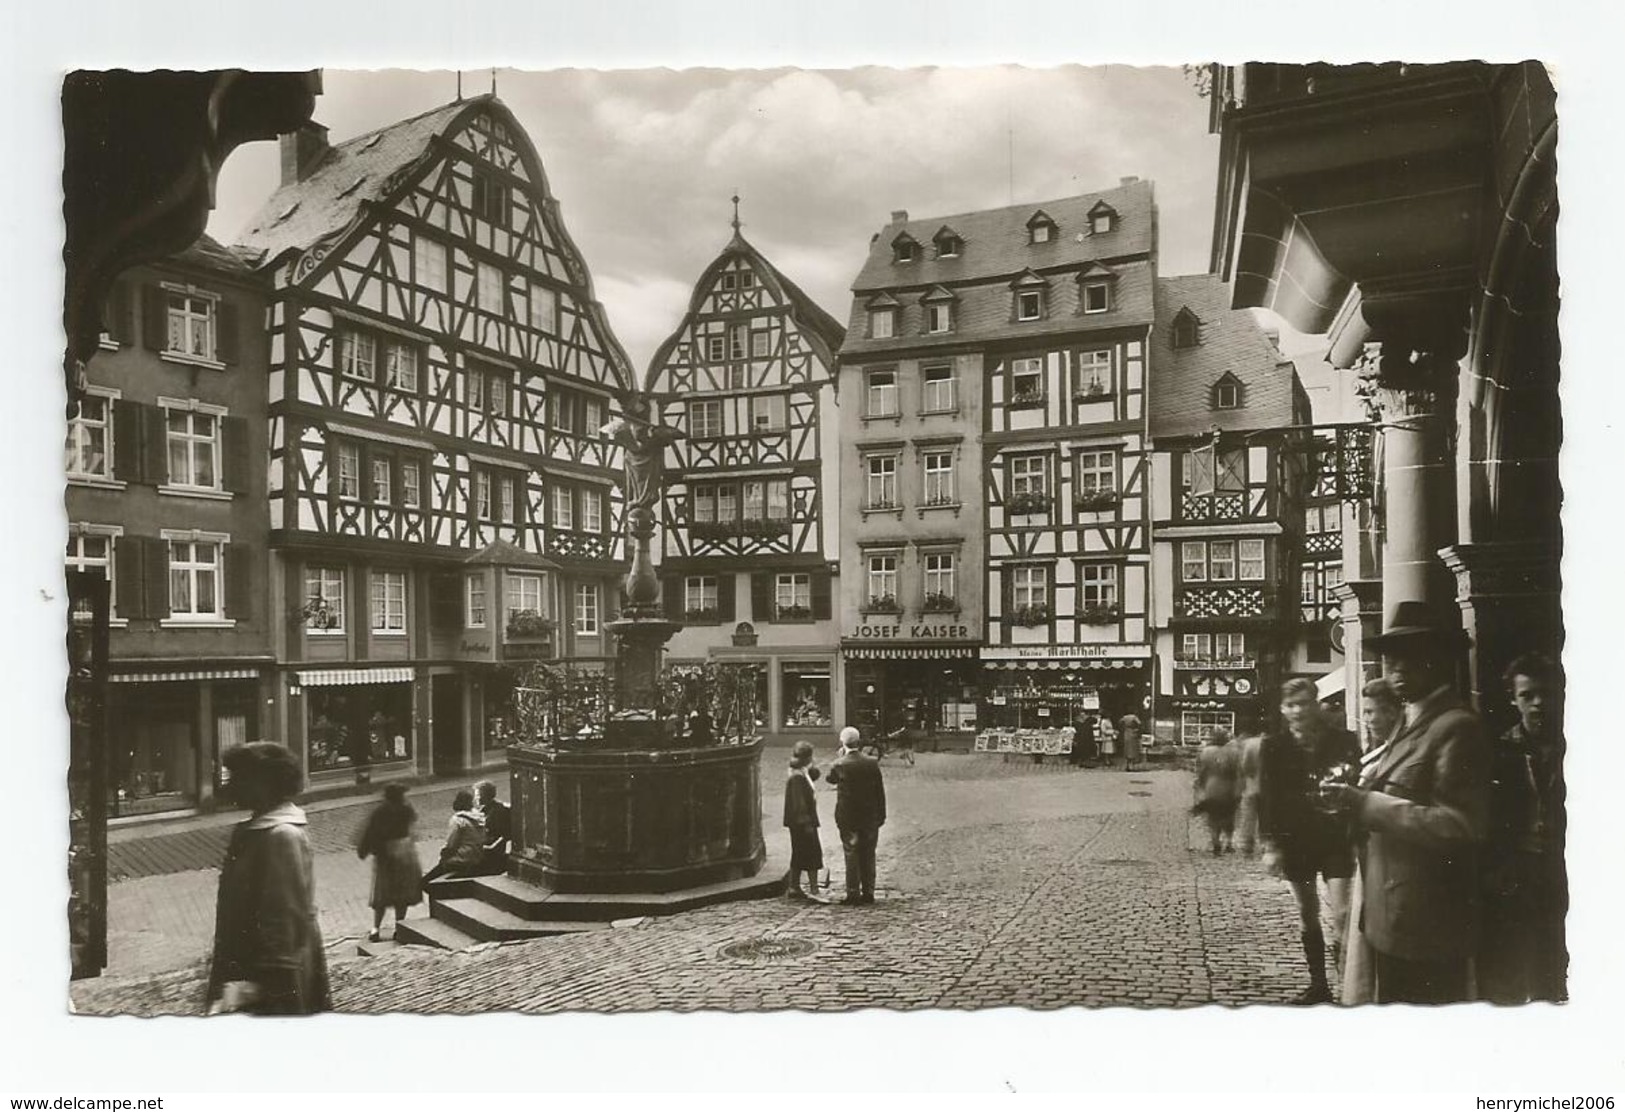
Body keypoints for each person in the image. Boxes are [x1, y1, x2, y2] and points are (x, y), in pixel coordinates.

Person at [1320, 601, 1490, 1005]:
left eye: (1409, 658)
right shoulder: (1412, 724)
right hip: (1392, 917)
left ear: (1438, 662)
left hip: (1425, 924)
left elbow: (1461, 826)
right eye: (1390, 658)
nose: (1394, 668)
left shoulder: (1456, 727)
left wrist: (1365, 804)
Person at [205, 743, 331, 1015]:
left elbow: (283, 924)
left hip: (270, 982)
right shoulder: (256, 830)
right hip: (247, 972)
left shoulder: (282, 836)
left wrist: (261, 988)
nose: (232, 786)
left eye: (240, 777)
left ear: (266, 782)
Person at [1258, 677, 1361, 1004]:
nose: (1298, 710)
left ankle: (1347, 985)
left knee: (1343, 913)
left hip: (1335, 838)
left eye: (1304, 703)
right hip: (1295, 841)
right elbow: (1268, 797)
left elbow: (1356, 781)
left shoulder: (1343, 740)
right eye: (1291, 705)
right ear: (1282, 709)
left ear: (1316, 705)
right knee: (1307, 912)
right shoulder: (1273, 746)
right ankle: (1319, 985)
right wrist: (1271, 845)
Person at [1478, 651, 1567, 1004]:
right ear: (1513, 700)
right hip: (1518, 875)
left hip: (1565, 870)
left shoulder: (1576, 747)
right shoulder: (1501, 752)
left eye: (1546, 693)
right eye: (1527, 696)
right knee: (1515, 968)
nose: (1538, 704)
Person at [1341, 677, 1404, 1004]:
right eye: (1365, 712)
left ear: (1395, 712)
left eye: (1375, 711)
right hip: (1371, 856)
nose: (1369, 719)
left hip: (1390, 859)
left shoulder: (1395, 751)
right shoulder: (1381, 750)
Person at [826, 726, 887, 905]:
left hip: (848, 816)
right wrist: (881, 814)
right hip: (869, 815)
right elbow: (879, 791)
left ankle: (853, 892)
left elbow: (830, 779)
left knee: (851, 853)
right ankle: (869, 891)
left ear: (843, 743)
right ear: (858, 742)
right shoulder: (871, 762)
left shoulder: (839, 764)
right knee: (869, 853)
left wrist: (840, 756)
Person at [356, 782, 423, 942]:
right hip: (405, 853)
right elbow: (413, 828)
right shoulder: (406, 809)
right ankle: (399, 927)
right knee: (403, 893)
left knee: (382, 893)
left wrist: (363, 850)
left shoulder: (380, 811)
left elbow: (370, 831)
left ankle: (375, 928)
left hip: (386, 855)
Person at [782, 741, 828, 903]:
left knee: (799, 853)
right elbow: (799, 803)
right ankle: (814, 888)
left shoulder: (800, 771)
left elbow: (814, 775)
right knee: (812, 853)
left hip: (799, 822)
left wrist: (812, 765)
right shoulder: (797, 777)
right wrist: (807, 822)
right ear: (807, 756)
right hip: (802, 823)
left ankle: (794, 886)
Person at [421, 789, 486, 888]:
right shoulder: (478, 818)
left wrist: (443, 856)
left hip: (461, 859)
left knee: (425, 881)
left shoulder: (458, 820)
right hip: (476, 856)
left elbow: (451, 845)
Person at [1192, 728, 1241, 855]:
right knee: (1229, 816)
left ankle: (1216, 842)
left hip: (1211, 787)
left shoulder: (1206, 752)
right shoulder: (1234, 752)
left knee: (1213, 817)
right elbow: (1239, 772)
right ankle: (1229, 843)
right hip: (1229, 788)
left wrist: (1200, 787)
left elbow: (1201, 772)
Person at [1234, 733, 1264, 856]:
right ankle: (1265, 844)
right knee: (1266, 816)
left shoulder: (1250, 743)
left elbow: (1244, 766)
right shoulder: (1275, 742)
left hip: (1252, 785)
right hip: (1269, 788)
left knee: (1249, 816)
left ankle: (1247, 844)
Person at [475, 779, 511, 876]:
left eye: (477, 795)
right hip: (481, 850)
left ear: (485, 796)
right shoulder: (483, 809)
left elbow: (505, 835)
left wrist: (490, 847)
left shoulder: (498, 811)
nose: (475, 798)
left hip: (491, 854)